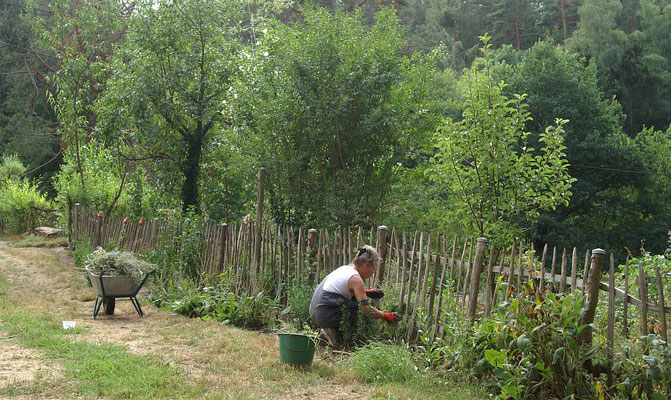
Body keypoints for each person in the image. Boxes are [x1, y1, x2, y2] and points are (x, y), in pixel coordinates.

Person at [309, 245, 399, 348]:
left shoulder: (345, 269)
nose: (371, 275)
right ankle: (334, 334)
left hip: (314, 311)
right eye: (373, 271)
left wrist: (366, 292)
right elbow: (365, 309)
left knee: (352, 302)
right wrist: (385, 316)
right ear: (366, 265)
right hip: (324, 316)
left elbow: (340, 291)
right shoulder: (356, 279)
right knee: (358, 309)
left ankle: (329, 330)